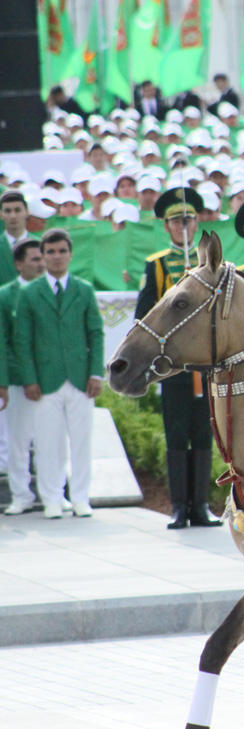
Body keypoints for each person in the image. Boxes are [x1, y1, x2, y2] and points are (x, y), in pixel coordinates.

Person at [134, 188, 221, 529]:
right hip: (172, 367)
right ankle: (178, 506)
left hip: (204, 365)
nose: (183, 227)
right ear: (166, 226)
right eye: (176, 221)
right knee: (176, 433)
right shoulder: (157, 265)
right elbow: (144, 315)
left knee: (203, 432)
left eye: (188, 220)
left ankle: (200, 505)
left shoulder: (211, 266)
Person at [13, 229, 105, 518]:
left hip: (80, 378)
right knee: (47, 442)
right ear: (43, 256)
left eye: (61, 251)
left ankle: (80, 497)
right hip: (45, 379)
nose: (56, 257)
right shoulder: (30, 293)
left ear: (70, 254)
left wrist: (96, 373)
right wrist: (29, 378)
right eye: (49, 252)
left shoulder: (84, 289)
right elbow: (22, 340)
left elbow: (96, 334)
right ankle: (52, 498)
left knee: (81, 441)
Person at [1, 239, 44, 515]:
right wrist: (3, 383)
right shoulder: (6, 295)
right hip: (18, 380)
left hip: (52, 377)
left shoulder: (52, 291)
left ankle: (55, 492)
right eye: (34, 259)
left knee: (50, 440)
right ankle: (21, 495)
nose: (40, 263)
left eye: (42, 258)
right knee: (19, 440)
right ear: (19, 264)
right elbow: (2, 343)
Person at [1, 191, 36, 285]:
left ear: (27, 212)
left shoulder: (40, 245)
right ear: (1, 215)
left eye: (17, 210)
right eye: (7, 211)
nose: (13, 216)